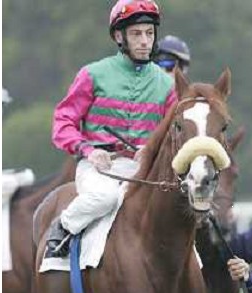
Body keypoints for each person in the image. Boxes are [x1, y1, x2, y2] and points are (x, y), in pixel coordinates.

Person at [46, 0, 176, 257]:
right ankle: (62, 227)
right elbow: (63, 123)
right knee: (105, 199)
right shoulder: (92, 74)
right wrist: (89, 150)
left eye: (149, 33)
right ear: (119, 36)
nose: (144, 41)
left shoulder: (167, 84)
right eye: (136, 34)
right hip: (98, 168)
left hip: (143, 170)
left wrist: (152, 151)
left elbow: (174, 133)